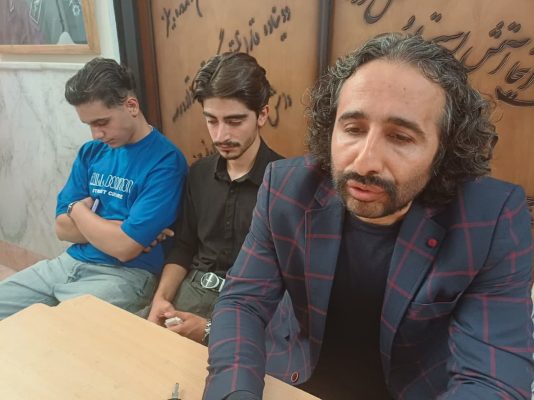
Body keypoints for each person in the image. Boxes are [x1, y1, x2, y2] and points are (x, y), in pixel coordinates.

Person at [204, 33, 534, 399]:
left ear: (445, 149)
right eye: (353, 129)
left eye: (401, 137)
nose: (364, 162)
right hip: (297, 381)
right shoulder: (286, 189)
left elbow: (493, 379)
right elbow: (243, 303)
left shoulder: (491, 218)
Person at [0, 58, 188, 319]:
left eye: (102, 122)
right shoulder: (92, 152)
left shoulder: (165, 162)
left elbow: (124, 248)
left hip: (123, 275)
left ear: (131, 106)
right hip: (68, 262)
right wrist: (117, 229)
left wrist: (78, 210)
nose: (96, 134)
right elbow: (62, 229)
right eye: (89, 125)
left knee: (58, 329)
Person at [147, 52, 301, 364]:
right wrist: (160, 300)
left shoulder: (289, 183)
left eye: (234, 121)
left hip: (251, 312)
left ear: (262, 114)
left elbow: (292, 287)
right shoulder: (199, 174)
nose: (221, 135)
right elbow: (184, 246)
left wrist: (209, 329)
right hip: (191, 293)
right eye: (211, 120)